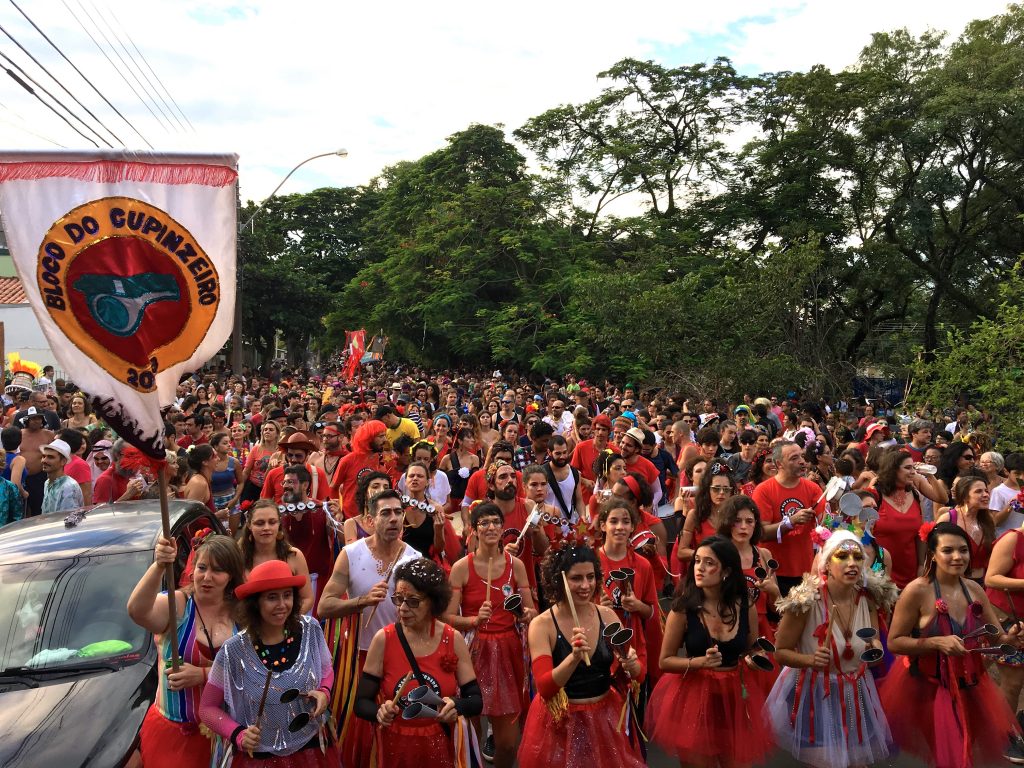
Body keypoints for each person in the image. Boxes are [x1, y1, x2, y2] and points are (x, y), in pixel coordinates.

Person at [881, 522, 1022, 768]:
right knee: (951, 755)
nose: (958, 557)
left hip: (973, 687)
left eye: (963, 550)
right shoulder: (916, 591)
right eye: (948, 551)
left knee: (966, 749)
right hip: (932, 689)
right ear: (933, 555)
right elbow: (894, 642)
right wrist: (936, 641)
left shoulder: (975, 589)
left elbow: (997, 639)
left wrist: (1012, 637)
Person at [766, 529, 895, 768]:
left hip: (856, 691)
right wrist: (810, 660)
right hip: (816, 693)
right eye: (842, 557)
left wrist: (874, 648)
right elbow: (780, 652)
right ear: (826, 562)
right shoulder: (806, 601)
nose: (852, 563)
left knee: (858, 763)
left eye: (857, 557)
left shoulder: (867, 598)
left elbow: (873, 638)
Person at [647, 535, 773, 768]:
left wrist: (756, 658)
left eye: (709, 563)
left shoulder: (745, 606)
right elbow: (664, 661)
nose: (699, 568)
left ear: (726, 571)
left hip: (735, 698)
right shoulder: (683, 609)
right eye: (697, 561)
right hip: (695, 699)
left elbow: (751, 647)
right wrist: (699, 663)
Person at [198, 559, 339, 766]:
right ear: (255, 603)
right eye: (272, 597)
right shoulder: (233, 651)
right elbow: (207, 709)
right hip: (259, 758)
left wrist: (324, 691)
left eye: (287, 595)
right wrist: (238, 734)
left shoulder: (311, 629)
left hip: (312, 749)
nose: (282, 605)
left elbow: (327, 670)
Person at [317, 489, 420, 767]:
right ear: (370, 519)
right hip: (358, 659)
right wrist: (362, 601)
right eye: (386, 513)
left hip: (400, 658)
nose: (394, 518)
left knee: (395, 729)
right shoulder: (351, 554)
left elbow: (427, 616)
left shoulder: (415, 558)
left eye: (398, 512)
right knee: (357, 736)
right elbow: (324, 607)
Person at [518, 544, 645, 768]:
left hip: (605, 718)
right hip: (561, 726)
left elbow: (638, 676)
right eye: (576, 578)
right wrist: (573, 657)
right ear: (559, 580)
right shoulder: (542, 625)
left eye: (590, 577)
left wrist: (632, 665)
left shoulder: (607, 615)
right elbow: (545, 687)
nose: (585, 585)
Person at [128, 532, 244, 768]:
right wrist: (160, 565)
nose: (206, 577)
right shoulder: (177, 604)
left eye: (217, 570)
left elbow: (253, 669)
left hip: (229, 732)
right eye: (202, 568)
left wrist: (202, 675)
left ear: (231, 576)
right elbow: (137, 610)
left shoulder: (242, 614)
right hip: (177, 737)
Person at [354, 558, 482, 768]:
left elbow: (476, 700)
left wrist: (456, 706)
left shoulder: (452, 639)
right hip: (396, 747)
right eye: (398, 599)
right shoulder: (383, 639)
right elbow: (361, 703)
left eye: (413, 601)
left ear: (433, 601)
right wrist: (379, 712)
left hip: (441, 745)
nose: (403, 608)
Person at [445, 502, 537, 768]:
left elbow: (531, 609)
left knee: (508, 743)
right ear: (473, 530)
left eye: (496, 522)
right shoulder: (462, 567)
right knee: (470, 734)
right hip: (472, 653)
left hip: (508, 650)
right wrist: (474, 620)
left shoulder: (515, 565)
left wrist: (526, 615)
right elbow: (447, 618)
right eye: (484, 523)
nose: (491, 527)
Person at [751, 441, 821, 596]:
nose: (802, 461)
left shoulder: (813, 488)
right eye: (794, 458)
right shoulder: (763, 491)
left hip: (807, 571)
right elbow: (760, 532)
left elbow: (824, 525)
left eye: (802, 456)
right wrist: (791, 522)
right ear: (779, 464)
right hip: (775, 572)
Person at [984, 516, 1024, 763]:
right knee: (1011, 682)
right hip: (1005, 620)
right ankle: (1002, 734)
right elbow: (991, 578)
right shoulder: (1013, 539)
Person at [716, 494, 780, 640]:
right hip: (727, 629)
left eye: (749, 521)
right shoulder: (717, 554)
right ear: (727, 522)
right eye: (737, 521)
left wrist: (774, 592)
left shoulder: (764, 555)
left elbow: (776, 608)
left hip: (761, 630)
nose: (743, 527)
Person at [239, 499, 315, 614]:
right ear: (249, 525)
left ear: (279, 523)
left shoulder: (294, 555)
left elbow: (307, 598)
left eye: (272, 522)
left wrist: (287, 621)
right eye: (260, 523)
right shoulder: (238, 557)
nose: (266, 528)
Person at [934, 474, 997, 583]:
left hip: (984, 583)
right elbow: (934, 554)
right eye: (978, 491)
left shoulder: (988, 520)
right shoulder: (948, 518)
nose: (986, 495)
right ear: (964, 496)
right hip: (954, 582)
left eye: (986, 491)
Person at [332, 419, 389, 518]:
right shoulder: (348, 460)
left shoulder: (379, 459)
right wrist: (338, 511)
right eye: (380, 436)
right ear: (369, 438)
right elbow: (333, 487)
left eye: (384, 435)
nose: (385, 440)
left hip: (372, 517)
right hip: (349, 517)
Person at [261, 432, 331, 504]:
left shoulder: (318, 474)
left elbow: (323, 505)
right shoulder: (273, 474)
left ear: (307, 455)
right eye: (290, 455)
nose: (293, 459)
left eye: (298, 456)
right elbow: (264, 503)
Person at [237, 420, 282, 504]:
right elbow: (246, 472)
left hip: (272, 490)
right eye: (265, 429)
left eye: (271, 430)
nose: (267, 432)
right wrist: (239, 490)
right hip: (253, 488)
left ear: (277, 433)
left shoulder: (281, 451)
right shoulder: (256, 448)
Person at [92, 438, 147, 504]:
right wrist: (127, 495)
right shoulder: (105, 480)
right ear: (117, 455)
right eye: (130, 455)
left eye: (137, 455)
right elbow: (101, 512)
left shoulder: (132, 474)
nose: (135, 459)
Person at [343, 470, 391, 544]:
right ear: (365, 493)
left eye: (386, 488)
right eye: (375, 487)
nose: (382, 490)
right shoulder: (351, 524)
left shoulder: (394, 521)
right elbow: (353, 554)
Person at [40, 438, 83, 514]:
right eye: (43, 456)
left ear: (63, 461)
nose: (44, 460)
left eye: (50, 457)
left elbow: (66, 519)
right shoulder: (47, 483)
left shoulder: (68, 486)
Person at [181, 443, 217, 514]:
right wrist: (217, 516)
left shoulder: (203, 479)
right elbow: (191, 515)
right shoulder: (199, 483)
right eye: (215, 457)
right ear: (205, 462)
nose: (218, 459)